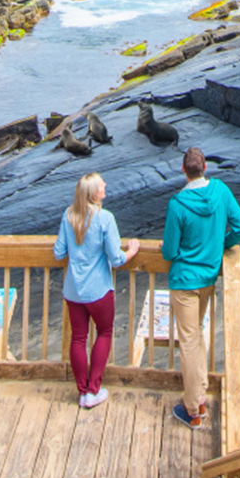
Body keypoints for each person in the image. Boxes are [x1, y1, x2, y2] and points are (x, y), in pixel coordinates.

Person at [161, 145, 240, 430]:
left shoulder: (177, 205)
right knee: (195, 336)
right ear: (206, 167)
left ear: (184, 170)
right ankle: (199, 397)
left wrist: (172, 249)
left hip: (185, 281)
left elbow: (170, 252)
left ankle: (192, 410)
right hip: (209, 278)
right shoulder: (221, 191)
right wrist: (220, 245)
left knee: (188, 342)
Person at [53, 172, 138, 408]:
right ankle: (94, 389)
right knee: (104, 333)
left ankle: (82, 391)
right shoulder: (105, 219)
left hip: (74, 290)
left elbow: (59, 253)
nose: (105, 186)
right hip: (99, 289)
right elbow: (117, 258)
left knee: (78, 339)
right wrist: (132, 249)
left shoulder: (69, 215)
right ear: (93, 193)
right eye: (102, 185)